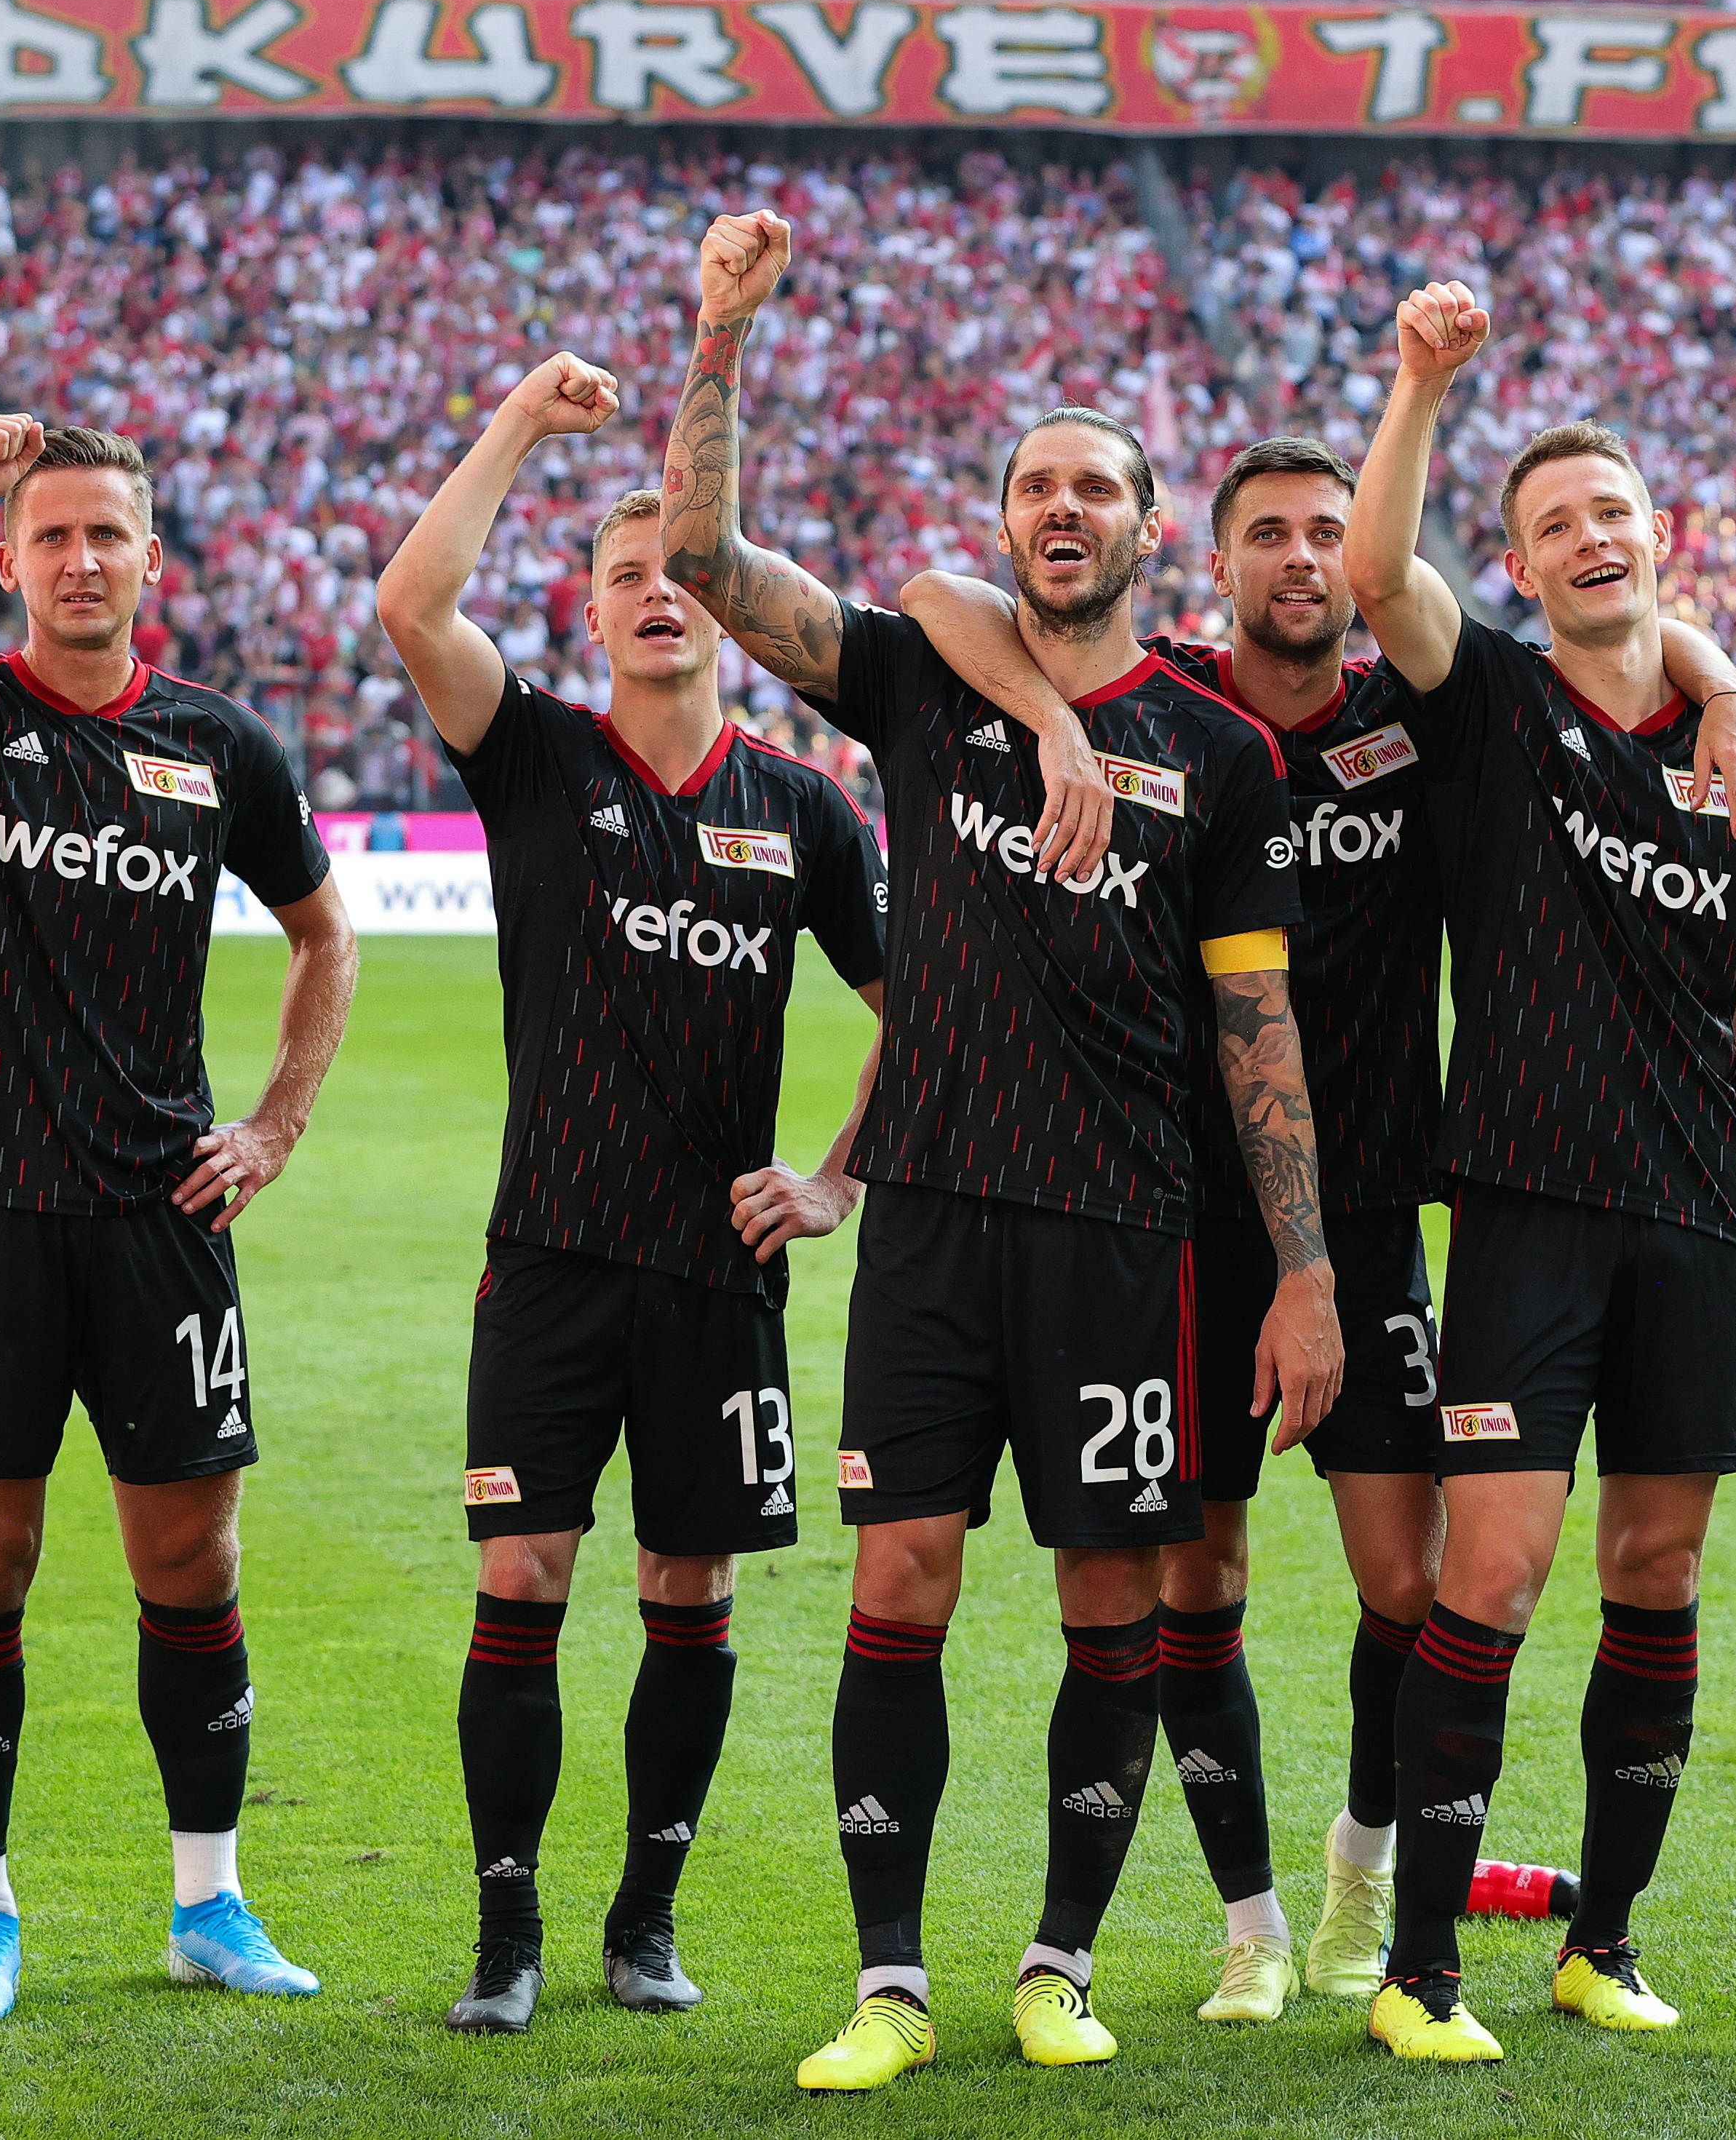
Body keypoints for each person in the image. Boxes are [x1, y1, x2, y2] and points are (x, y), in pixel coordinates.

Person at [900, 434, 1736, 2025]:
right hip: (1164, 1208)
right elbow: (944, 602)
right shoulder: (1163, 702)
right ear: (1213, 562)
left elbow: (1617, 640)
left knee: (1409, 1579)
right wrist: (1045, 715)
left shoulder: (1424, 720)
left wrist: (1720, 680)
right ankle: (1249, 1922)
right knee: (1198, 1567)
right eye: (1266, 537)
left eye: (1325, 534)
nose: (1302, 559)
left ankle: (1365, 1879)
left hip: (1366, 1214)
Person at [662, 210, 1342, 2091]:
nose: (1062, 510)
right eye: (1033, 486)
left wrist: (1300, 1268)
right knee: (900, 1584)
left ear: (1144, 528)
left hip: (1127, 1230)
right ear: (1008, 522)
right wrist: (720, 334)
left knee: (1112, 1600)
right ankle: (886, 1979)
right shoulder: (917, 678)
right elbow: (707, 558)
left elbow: (1253, 1023)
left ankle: (1055, 1957)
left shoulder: (1219, 754)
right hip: (934, 1228)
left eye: (1094, 487)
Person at [0, 414, 361, 2024]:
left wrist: (274, 1123)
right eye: (49, 535)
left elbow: (327, 937)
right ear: (12, 559)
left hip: (160, 1213)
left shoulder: (221, 744)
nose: (80, 558)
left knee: (191, 1553)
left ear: (150, 560)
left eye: (107, 533)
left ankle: (210, 1897)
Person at [373, 354, 890, 2032]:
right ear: (590, 616)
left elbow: (929, 1013)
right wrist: (519, 418)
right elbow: (408, 599)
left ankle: (644, 1916)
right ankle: (505, 1928)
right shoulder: (533, 758)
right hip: (549, 1263)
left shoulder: (804, 810)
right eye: (625, 575)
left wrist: (831, 1180)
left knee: (694, 1591)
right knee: (522, 1578)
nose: (659, 592)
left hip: (717, 1279)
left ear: (724, 603)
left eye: (684, 567)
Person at [1339, 285, 1736, 2063]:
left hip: (1698, 1214)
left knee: (1662, 1568)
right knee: (1500, 1572)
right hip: (1529, 1210)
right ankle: (1417, 1968)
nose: (1588, 539)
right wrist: (1419, 385)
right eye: (1554, 527)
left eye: (1612, 512)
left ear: (1659, 539)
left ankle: (1600, 1940)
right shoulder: (1491, 707)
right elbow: (1386, 573)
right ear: (1526, 571)